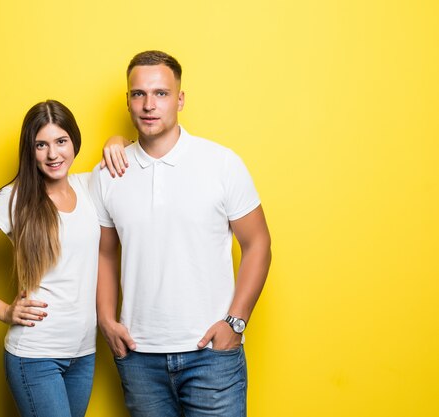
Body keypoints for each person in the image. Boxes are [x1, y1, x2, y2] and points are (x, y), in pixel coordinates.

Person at [90, 51, 272, 417]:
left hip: (212, 356)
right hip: (139, 357)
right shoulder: (108, 173)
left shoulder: (221, 164)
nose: (149, 105)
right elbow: (105, 254)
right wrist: (107, 322)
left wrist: (235, 323)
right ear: (127, 101)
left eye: (161, 93)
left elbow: (258, 243)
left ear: (180, 99)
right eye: (139, 94)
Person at [0, 99, 127, 417]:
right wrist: (2, 310)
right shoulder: (14, 199)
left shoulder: (89, 186)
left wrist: (115, 140)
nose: (53, 154)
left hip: (83, 354)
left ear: (74, 141)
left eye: (61, 141)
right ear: (30, 149)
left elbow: (131, 151)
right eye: (42, 144)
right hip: (35, 356)